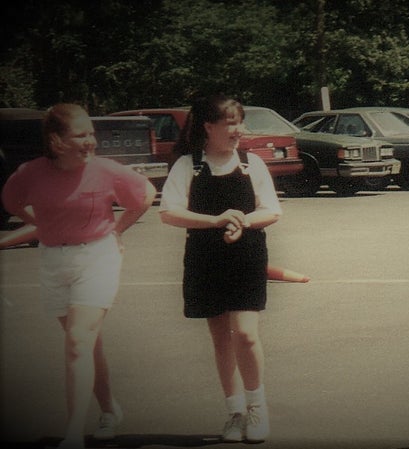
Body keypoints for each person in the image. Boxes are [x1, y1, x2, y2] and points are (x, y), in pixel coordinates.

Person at [1, 103, 157, 449]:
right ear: (56, 141)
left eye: (91, 133)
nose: (91, 141)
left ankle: (73, 433)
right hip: (54, 261)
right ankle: (108, 409)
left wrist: (117, 229)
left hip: (96, 257)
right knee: (86, 344)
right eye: (81, 134)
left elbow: (146, 194)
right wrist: (44, 222)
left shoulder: (105, 170)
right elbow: (11, 202)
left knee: (77, 343)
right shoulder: (30, 172)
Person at [159, 95, 281, 443]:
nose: (237, 129)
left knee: (244, 333)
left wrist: (243, 221)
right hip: (205, 259)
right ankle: (235, 412)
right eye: (229, 123)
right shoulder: (188, 165)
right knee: (220, 339)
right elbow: (169, 212)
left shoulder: (251, 163)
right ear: (208, 127)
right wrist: (215, 220)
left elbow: (271, 210)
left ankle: (257, 407)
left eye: (240, 121)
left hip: (246, 257)